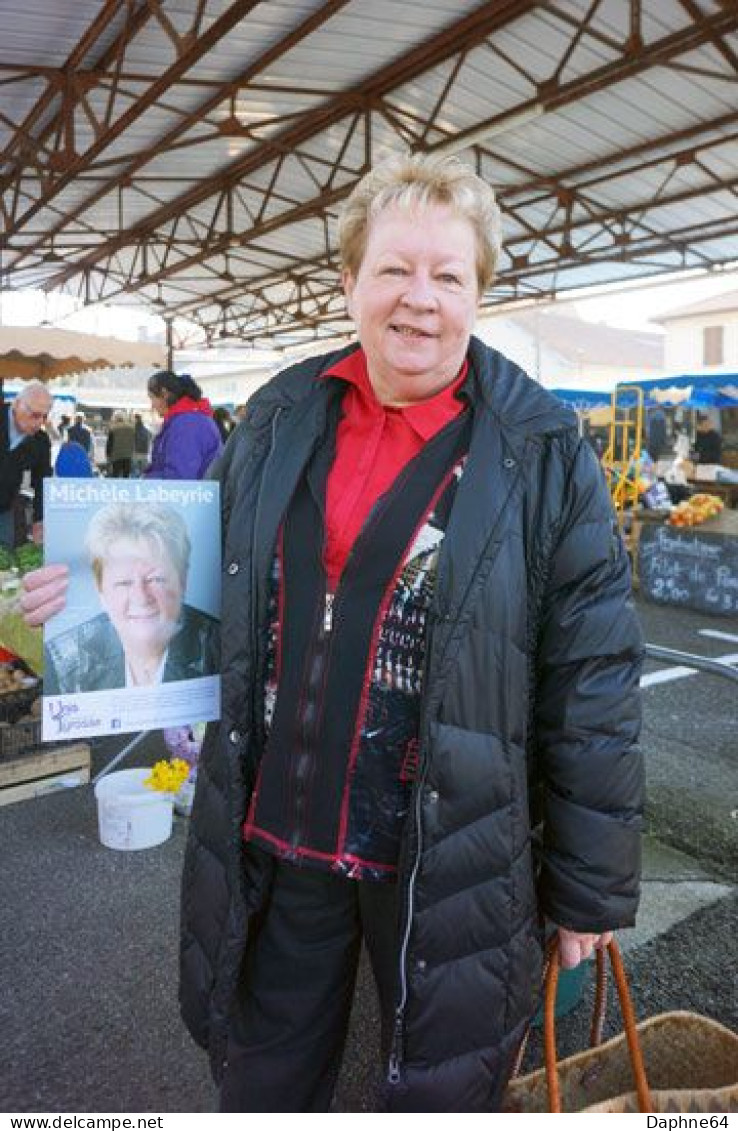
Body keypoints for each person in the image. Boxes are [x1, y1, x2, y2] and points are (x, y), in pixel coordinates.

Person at [21, 154, 643, 1113]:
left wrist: (589, 888)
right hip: (282, 825)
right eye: (394, 269)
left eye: (449, 274)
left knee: (437, 1080)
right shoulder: (279, 415)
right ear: (348, 281)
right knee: (269, 1070)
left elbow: (593, 676)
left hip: (447, 847)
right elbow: (195, 575)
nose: (420, 299)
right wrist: (91, 591)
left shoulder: (542, 451)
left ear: (481, 291)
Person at [41, 502, 217, 694]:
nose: (141, 597)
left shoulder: (221, 647)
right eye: (124, 582)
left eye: (156, 579)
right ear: (101, 590)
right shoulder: (62, 661)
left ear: (182, 581)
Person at [0, 381, 52, 548]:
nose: (39, 423)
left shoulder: (41, 440)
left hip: (4, 507)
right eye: (35, 415)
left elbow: (42, 481)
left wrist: (39, 520)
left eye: (45, 416)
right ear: (16, 404)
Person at [145, 370, 222, 480]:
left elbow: (180, 478)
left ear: (164, 394)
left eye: (152, 397)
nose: (152, 405)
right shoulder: (186, 420)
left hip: (193, 494)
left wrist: (146, 480)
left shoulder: (187, 424)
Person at [106, 409, 136, 477]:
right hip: (128, 456)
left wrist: (108, 456)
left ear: (115, 418)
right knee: (126, 476)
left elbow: (109, 444)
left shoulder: (113, 429)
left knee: (115, 475)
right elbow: (134, 442)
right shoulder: (131, 428)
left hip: (116, 456)